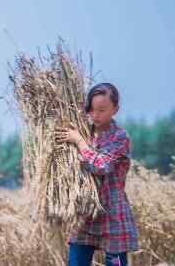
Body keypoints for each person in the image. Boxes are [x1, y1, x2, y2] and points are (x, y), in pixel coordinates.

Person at [55, 83, 139, 266]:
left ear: (115, 109)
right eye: (92, 110)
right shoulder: (83, 130)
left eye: (101, 110)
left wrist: (79, 141)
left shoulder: (120, 137)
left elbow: (101, 166)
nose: (95, 115)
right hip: (86, 214)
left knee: (116, 263)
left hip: (113, 216)